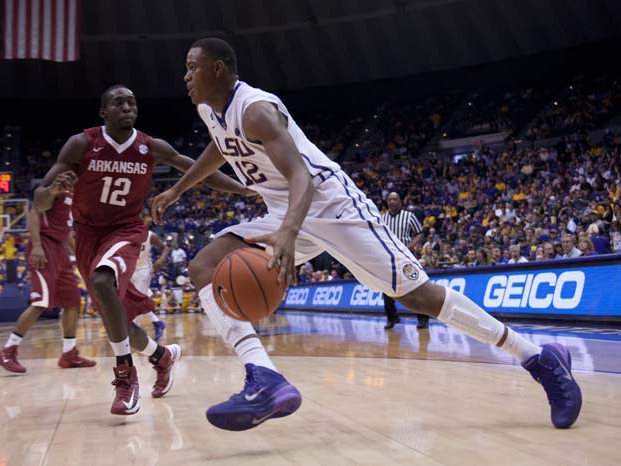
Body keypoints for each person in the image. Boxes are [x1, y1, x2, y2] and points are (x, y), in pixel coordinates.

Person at [152, 37, 582, 431]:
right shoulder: (211, 111)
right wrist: (177, 187)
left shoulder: (256, 109)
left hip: (329, 204)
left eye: (193, 67)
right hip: (284, 209)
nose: (186, 76)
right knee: (204, 267)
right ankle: (264, 377)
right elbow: (220, 146)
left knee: (416, 295)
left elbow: (301, 175)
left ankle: (538, 358)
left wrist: (287, 233)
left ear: (220, 70)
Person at [34, 84, 249, 415]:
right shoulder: (82, 143)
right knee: (114, 317)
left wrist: (244, 190)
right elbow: (40, 199)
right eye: (118, 103)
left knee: (105, 282)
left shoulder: (151, 146)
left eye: (131, 102)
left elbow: (199, 171)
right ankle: (161, 357)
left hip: (126, 230)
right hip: (89, 236)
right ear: (104, 112)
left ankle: (126, 377)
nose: (127, 107)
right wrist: (52, 190)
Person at [0, 196, 96, 373]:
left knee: (72, 301)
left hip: (59, 249)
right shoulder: (56, 188)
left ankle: (69, 354)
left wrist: (82, 258)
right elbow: (34, 212)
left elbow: (68, 234)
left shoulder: (77, 198)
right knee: (41, 303)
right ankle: (8, 351)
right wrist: (37, 245)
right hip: (43, 245)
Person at [380, 192, 429, 330]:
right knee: (386, 287)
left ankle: (423, 319)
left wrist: (411, 245)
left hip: (407, 256)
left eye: (395, 199)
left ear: (400, 202)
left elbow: (420, 232)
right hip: (389, 257)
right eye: (389, 199)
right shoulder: (382, 218)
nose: (392, 202)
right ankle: (392, 317)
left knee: (416, 285)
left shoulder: (409, 216)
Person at [131, 228, 170, 341]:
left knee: (137, 301)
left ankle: (133, 331)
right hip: (128, 270)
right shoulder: (124, 234)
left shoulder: (150, 236)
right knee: (131, 300)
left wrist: (161, 258)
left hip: (144, 270)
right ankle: (158, 322)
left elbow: (165, 247)